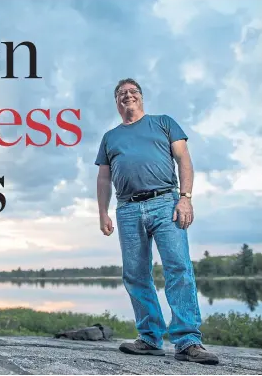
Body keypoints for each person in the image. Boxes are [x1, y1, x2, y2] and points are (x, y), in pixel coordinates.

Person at [94, 78, 219, 365]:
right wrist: (103, 212)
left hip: (166, 202)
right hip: (127, 208)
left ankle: (188, 341)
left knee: (178, 267)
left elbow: (184, 159)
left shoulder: (164, 122)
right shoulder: (109, 137)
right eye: (121, 93)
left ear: (141, 97)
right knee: (136, 274)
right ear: (116, 102)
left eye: (132, 91)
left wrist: (185, 197)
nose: (127, 95)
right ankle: (149, 338)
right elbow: (103, 177)